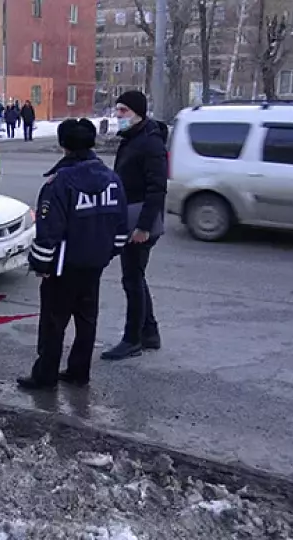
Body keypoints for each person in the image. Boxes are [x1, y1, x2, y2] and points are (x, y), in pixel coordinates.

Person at [17, 119, 129, 390]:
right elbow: (121, 226)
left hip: (62, 267)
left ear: (63, 145)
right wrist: (106, 253)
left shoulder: (59, 183)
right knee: (87, 319)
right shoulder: (112, 179)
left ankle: (45, 376)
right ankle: (79, 372)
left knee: (54, 323)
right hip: (94, 264)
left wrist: (41, 264)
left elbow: (49, 231)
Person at [101, 90, 168, 360]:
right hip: (132, 216)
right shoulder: (133, 138)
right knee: (136, 276)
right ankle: (149, 333)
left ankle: (132, 340)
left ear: (138, 113)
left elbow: (157, 188)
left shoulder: (149, 143)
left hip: (140, 221)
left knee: (132, 279)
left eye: (123, 111)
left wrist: (143, 227)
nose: (118, 116)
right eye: (118, 111)